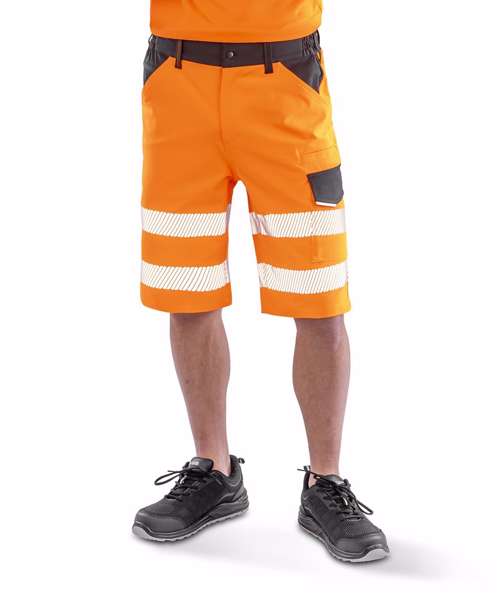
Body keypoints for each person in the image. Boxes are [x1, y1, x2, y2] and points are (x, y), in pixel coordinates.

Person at [133, 1, 389, 562]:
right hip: (178, 84)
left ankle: (325, 482)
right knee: (187, 292)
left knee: (318, 297)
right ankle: (214, 469)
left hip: (285, 81)